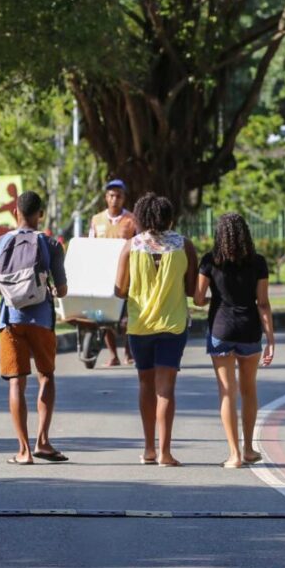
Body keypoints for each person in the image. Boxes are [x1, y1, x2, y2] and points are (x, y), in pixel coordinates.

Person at [0, 191, 69, 466]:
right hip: (42, 321)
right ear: (40, 214)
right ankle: (43, 441)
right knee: (46, 376)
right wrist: (42, 289)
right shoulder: (51, 245)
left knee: (16, 382)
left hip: (10, 320)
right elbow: (62, 289)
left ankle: (24, 451)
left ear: (15, 212)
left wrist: (10, 292)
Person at [115, 193, 198, 467]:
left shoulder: (131, 246)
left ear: (140, 217)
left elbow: (120, 290)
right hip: (173, 325)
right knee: (166, 389)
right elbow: (191, 289)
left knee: (145, 384)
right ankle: (165, 452)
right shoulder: (184, 246)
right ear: (169, 218)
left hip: (140, 326)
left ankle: (149, 448)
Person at [194, 213, 276, 468]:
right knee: (249, 390)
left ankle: (234, 454)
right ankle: (249, 448)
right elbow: (263, 303)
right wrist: (271, 339)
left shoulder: (210, 261)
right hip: (249, 329)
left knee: (227, 392)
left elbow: (198, 298)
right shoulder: (258, 262)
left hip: (221, 330)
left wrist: (216, 299)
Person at [89, 178, 140, 367]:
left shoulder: (132, 220)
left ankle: (128, 353)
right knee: (104, 317)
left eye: (118, 196)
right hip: (103, 275)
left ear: (124, 198)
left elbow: (138, 244)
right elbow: (90, 245)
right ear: (106, 197)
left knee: (127, 316)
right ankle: (112, 355)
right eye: (111, 195)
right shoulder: (96, 220)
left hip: (127, 275)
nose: (114, 199)